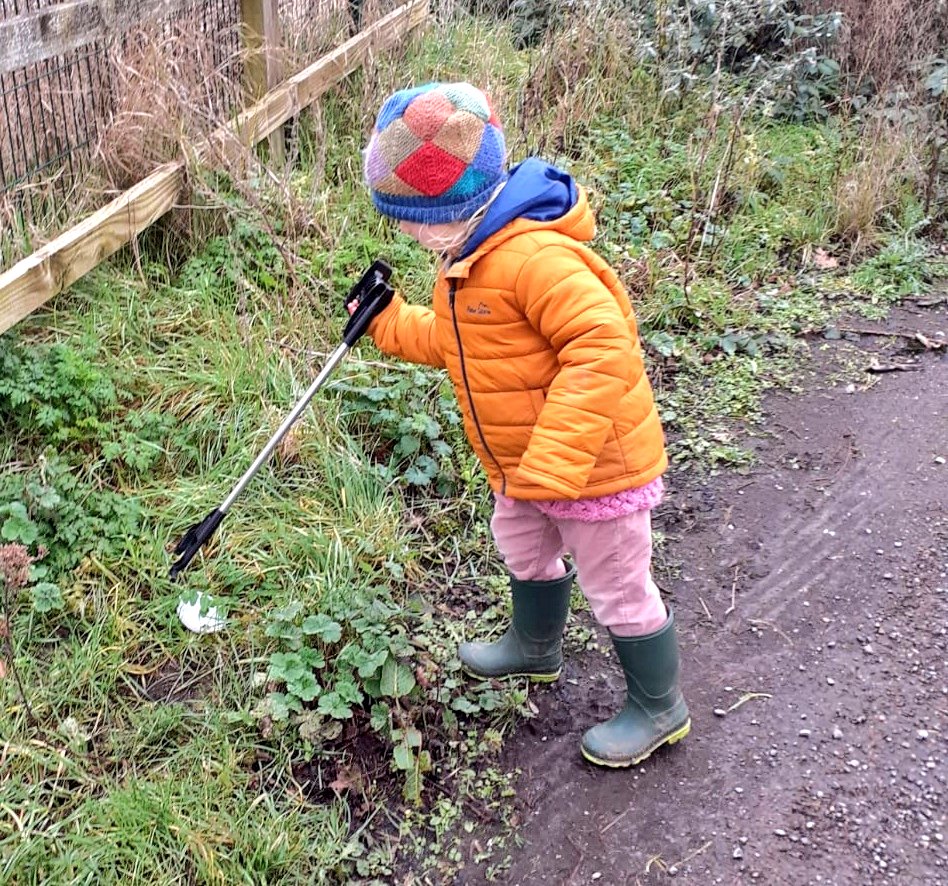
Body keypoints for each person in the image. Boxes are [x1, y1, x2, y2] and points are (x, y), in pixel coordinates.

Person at [356, 81, 689, 767]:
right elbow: (459, 343)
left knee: (617, 583)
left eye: (409, 220)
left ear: (453, 205)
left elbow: (602, 347)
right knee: (520, 543)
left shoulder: (534, 258)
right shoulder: (467, 257)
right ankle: (534, 648)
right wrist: (385, 322)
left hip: (593, 469)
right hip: (524, 466)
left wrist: (559, 463)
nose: (406, 235)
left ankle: (660, 707)